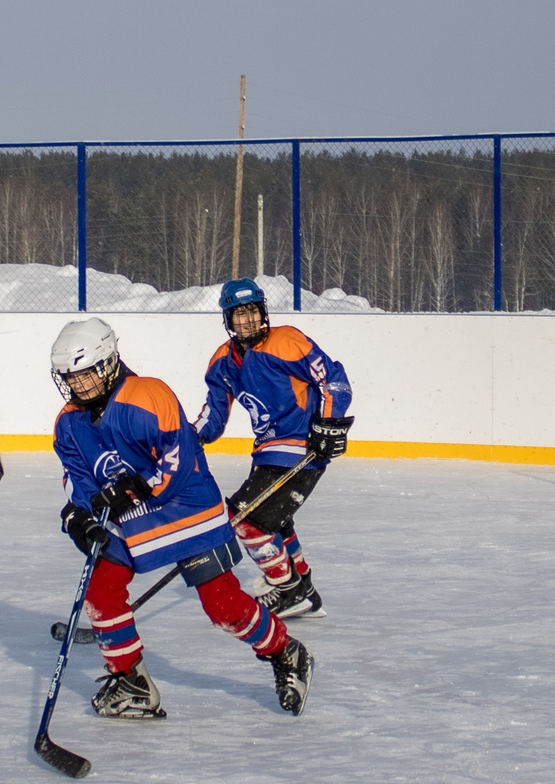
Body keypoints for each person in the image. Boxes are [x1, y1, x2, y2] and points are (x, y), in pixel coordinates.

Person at [51, 316, 317, 717]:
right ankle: (131, 681)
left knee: (223, 606)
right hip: (131, 519)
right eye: (70, 378)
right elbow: (77, 477)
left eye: (86, 374)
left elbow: (179, 458)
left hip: (186, 507)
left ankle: (286, 652)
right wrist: (80, 515)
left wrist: (139, 487)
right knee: (101, 590)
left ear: (108, 362)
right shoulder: (68, 422)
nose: (79, 385)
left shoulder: (147, 394)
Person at [194, 278, 354, 619]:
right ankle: (304, 591)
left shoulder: (287, 341)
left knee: (244, 518)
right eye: (240, 315)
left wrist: (327, 422)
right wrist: (189, 437)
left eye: (253, 311)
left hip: (301, 448)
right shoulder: (222, 363)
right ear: (228, 320)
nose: (249, 320)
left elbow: (334, 381)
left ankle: (287, 589)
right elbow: (213, 415)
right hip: (267, 453)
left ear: (263, 311)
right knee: (276, 524)